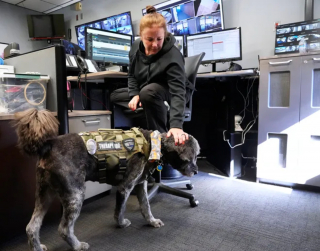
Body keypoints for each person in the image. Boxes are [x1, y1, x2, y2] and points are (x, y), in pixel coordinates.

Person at [127, 5, 189, 145]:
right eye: (149, 39)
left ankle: (160, 143)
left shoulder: (173, 55)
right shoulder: (135, 48)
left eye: (159, 39)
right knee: (115, 95)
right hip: (148, 90)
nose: (155, 44)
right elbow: (131, 75)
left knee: (148, 92)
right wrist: (135, 94)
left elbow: (178, 92)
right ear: (141, 36)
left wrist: (176, 125)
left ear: (165, 35)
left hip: (170, 90)